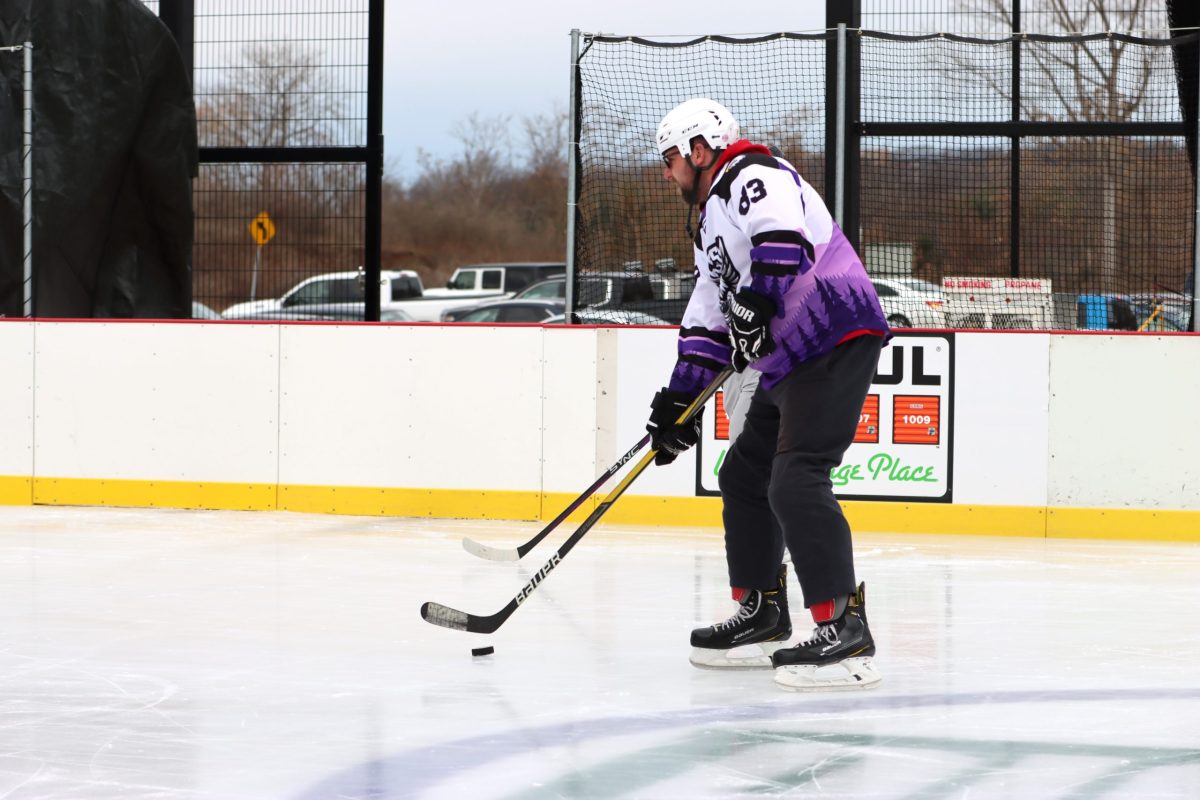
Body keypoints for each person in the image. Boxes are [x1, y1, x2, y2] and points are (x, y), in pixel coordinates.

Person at [644, 98, 891, 691]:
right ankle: (762, 613)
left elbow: (782, 240)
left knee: (795, 477)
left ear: (699, 149)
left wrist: (756, 304)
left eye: (670, 158)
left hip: (833, 334)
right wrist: (678, 402)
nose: (667, 172)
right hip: (791, 360)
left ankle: (844, 626)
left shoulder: (753, 173)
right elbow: (708, 317)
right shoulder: (710, 222)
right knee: (744, 475)